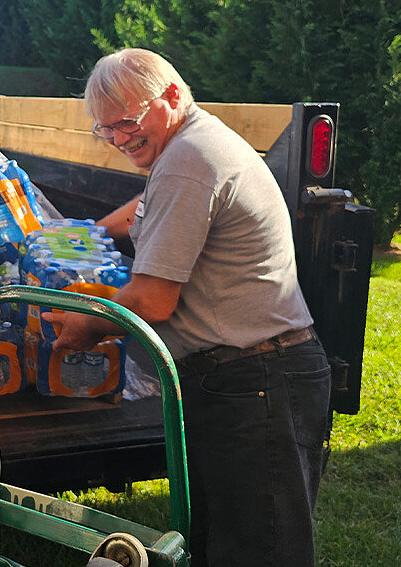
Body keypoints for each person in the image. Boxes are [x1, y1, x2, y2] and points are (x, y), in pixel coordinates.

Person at [45, 48, 330, 566]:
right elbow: (151, 205)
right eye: (104, 130)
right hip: (247, 377)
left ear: (171, 96)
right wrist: (81, 234)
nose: (119, 139)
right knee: (225, 541)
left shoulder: (188, 160)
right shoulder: (192, 143)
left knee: (258, 549)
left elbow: (152, 300)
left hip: (256, 384)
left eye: (127, 122)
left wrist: (85, 324)